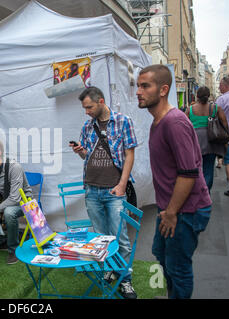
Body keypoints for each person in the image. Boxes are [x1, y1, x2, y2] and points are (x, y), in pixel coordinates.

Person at [136, 64, 212, 299]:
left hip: (185, 209)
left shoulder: (174, 122)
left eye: (145, 86)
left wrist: (171, 212)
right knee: (161, 253)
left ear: (163, 89)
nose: (138, 91)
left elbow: (188, 173)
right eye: (137, 86)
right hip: (170, 208)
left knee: (178, 269)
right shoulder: (158, 121)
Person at [70, 86, 138, 299]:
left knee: (121, 238)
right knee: (101, 238)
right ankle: (109, 270)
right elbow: (87, 157)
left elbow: (129, 155)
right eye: (84, 108)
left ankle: (125, 279)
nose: (86, 111)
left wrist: (121, 185)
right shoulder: (87, 126)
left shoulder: (123, 121)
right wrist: (81, 152)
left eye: (89, 107)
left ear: (100, 101)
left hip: (114, 190)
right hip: (91, 189)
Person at [0, 137, 33, 265]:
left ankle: (14, 249)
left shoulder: (14, 167)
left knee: (9, 212)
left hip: (24, 202)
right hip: (4, 200)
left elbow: (15, 198)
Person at [185, 86, 229, 191]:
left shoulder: (190, 109)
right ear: (209, 96)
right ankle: (205, 191)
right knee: (209, 169)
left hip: (195, 141)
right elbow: (225, 124)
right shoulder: (216, 108)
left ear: (197, 96)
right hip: (211, 141)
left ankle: (196, 191)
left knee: (195, 168)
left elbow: (183, 126)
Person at [216, 77, 229, 196]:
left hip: (228, 136)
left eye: (220, 85)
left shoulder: (221, 100)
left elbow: (215, 117)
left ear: (225, 86)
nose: (219, 87)